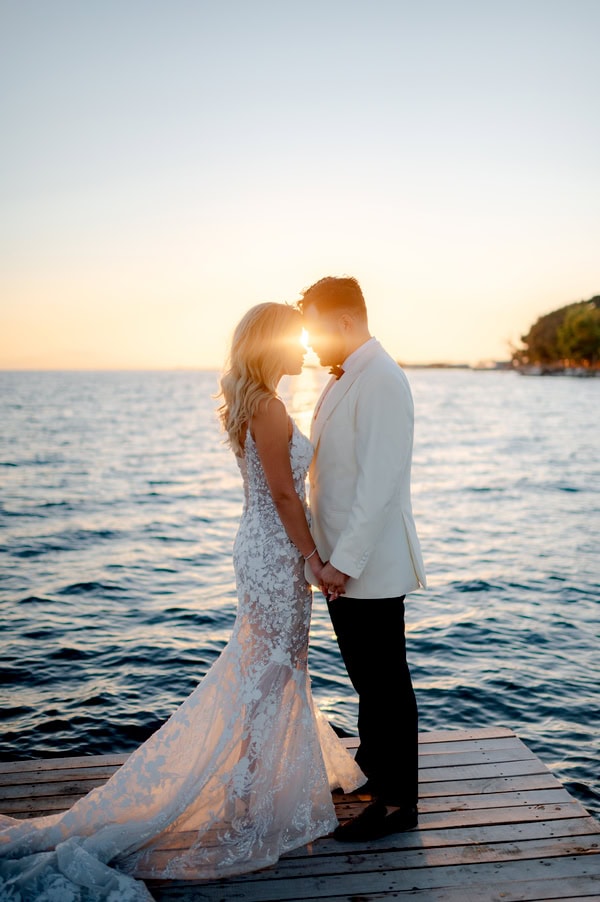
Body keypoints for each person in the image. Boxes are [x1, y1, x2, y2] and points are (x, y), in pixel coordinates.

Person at [0, 302, 364, 901]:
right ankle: (247, 802)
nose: (305, 349)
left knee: (268, 673)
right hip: (275, 556)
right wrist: (314, 561)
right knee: (271, 674)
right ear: (269, 345)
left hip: (260, 549)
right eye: (295, 340)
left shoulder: (256, 402)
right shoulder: (269, 407)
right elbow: (281, 493)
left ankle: (253, 792)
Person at [299, 276, 427, 842]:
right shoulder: (347, 376)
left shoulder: (381, 380)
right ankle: (376, 778)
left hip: (366, 565)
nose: (309, 344)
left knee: (384, 685)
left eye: (316, 329)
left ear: (345, 322)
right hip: (342, 564)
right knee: (368, 682)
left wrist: (343, 563)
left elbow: (377, 486)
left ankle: (399, 805)